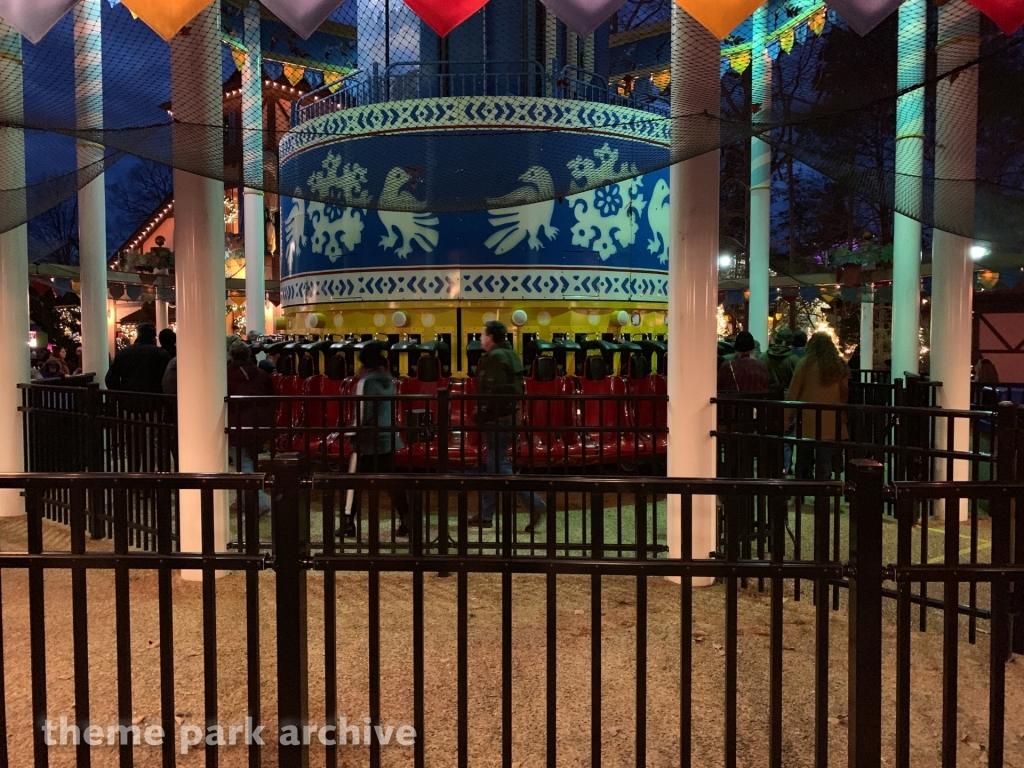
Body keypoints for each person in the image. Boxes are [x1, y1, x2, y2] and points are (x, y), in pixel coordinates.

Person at [467, 320, 546, 531]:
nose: (480, 339)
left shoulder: (494, 358)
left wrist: (480, 415)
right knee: (495, 465)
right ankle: (486, 514)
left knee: (499, 465)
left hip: (497, 419)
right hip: (508, 417)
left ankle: (535, 503)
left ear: (491, 337)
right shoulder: (510, 355)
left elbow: (491, 391)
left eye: (483, 335)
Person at [337, 343, 410, 538]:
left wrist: (353, 432)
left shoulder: (366, 382)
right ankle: (407, 520)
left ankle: (347, 523)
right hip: (387, 437)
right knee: (393, 483)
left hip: (367, 440)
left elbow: (363, 411)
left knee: (353, 482)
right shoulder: (389, 380)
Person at [785, 331, 850, 480]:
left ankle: (804, 485)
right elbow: (844, 393)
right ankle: (823, 488)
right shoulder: (839, 365)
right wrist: (842, 415)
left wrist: (786, 416)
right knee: (825, 458)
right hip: (831, 419)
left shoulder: (805, 364)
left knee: (804, 457)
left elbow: (793, 392)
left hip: (807, 419)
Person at [226, 340, 275, 515]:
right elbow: (271, 398)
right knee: (250, 461)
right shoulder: (262, 375)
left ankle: (259, 502)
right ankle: (242, 500)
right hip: (260, 424)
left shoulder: (225, 375)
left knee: (243, 463)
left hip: (236, 425)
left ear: (231, 355)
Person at [105, 323, 170, 393]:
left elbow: (110, 378)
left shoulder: (123, 353)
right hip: (154, 396)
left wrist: (120, 393)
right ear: (153, 336)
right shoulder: (162, 354)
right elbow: (168, 378)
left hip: (129, 395)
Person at [764, 327, 798, 395]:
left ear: (776, 340)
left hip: (766, 397)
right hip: (787, 398)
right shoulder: (795, 360)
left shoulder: (763, 357)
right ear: (791, 342)